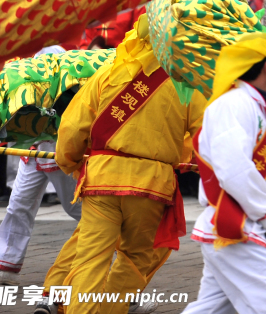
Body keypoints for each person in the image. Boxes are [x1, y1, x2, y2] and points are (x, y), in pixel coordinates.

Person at [55, 18, 205, 313]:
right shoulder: (186, 80)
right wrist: (193, 162)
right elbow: (208, 133)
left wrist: (68, 161)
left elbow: (72, 128)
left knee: (90, 259)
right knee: (135, 258)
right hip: (150, 186)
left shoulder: (109, 71)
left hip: (101, 179)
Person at [183, 33, 266, 314]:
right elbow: (233, 168)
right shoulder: (233, 104)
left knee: (211, 309)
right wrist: (264, 212)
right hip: (235, 223)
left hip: (241, 223)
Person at [0, 53, 80, 288]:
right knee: (18, 203)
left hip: (59, 150)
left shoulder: (58, 55)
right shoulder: (22, 61)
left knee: (77, 208)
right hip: (32, 151)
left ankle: (116, 249)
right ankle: (4, 266)